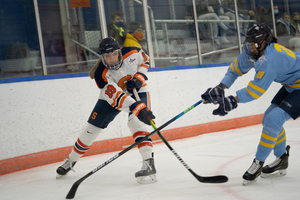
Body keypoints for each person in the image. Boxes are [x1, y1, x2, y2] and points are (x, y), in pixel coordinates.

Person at [201, 23, 300, 185]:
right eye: (249, 42)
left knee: (273, 120)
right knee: (269, 118)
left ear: (265, 42)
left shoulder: (269, 59)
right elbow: (235, 70)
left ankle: (258, 162)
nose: (251, 47)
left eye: (255, 43)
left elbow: (256, 91)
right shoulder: (251, 50)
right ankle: (282, 158)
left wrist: (232, 101)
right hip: (293, 85)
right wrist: (221, 87)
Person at [56, 37, 157, 184]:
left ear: (119, 52)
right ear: (102, 57)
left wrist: (139, 78)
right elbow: (116, 97)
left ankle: (149, 163)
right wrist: (137, 107)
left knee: (136, 123)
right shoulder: (100, 74)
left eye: (113, 54)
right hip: (112, 97)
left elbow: (145, 59)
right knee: (90, 130)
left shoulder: (132, 52)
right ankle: (71, 161)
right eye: (106, 56)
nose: (111, 59)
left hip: (138, 89)